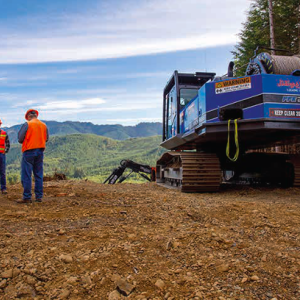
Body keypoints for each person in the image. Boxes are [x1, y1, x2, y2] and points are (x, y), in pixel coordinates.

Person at [17, 109, 49, 203]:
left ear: (28, 116)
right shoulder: (44, 125)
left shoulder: (27, 124)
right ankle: (39, 197)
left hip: (29, 151)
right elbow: (46, 138)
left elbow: (20, 139)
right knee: (38, 174)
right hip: (40, 151)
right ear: (36, 116)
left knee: (27, 174)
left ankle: (27, 197)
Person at [0, 119, 10, 194]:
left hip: (1, 155)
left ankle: (3, 188)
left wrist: (5, 151)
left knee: (2, 172)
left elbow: (8, 143)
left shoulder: (4, 133)